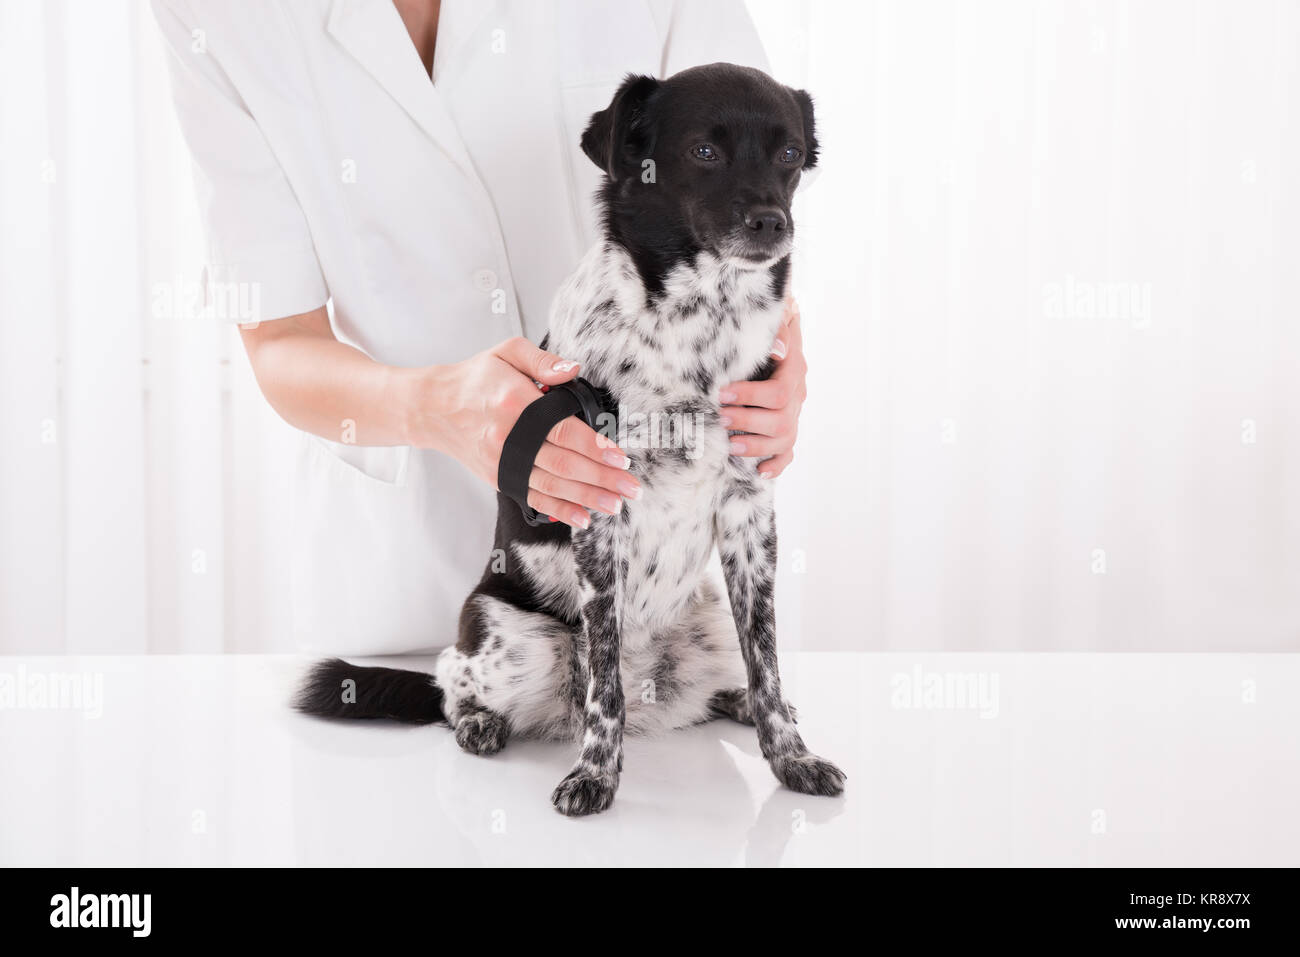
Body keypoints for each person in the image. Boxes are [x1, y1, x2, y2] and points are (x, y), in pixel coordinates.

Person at [153, 0, 809, 654]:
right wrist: (438, 409)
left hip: (648, 590)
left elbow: (754, 172)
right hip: (403, 595)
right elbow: (280, 338)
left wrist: (783, 362)